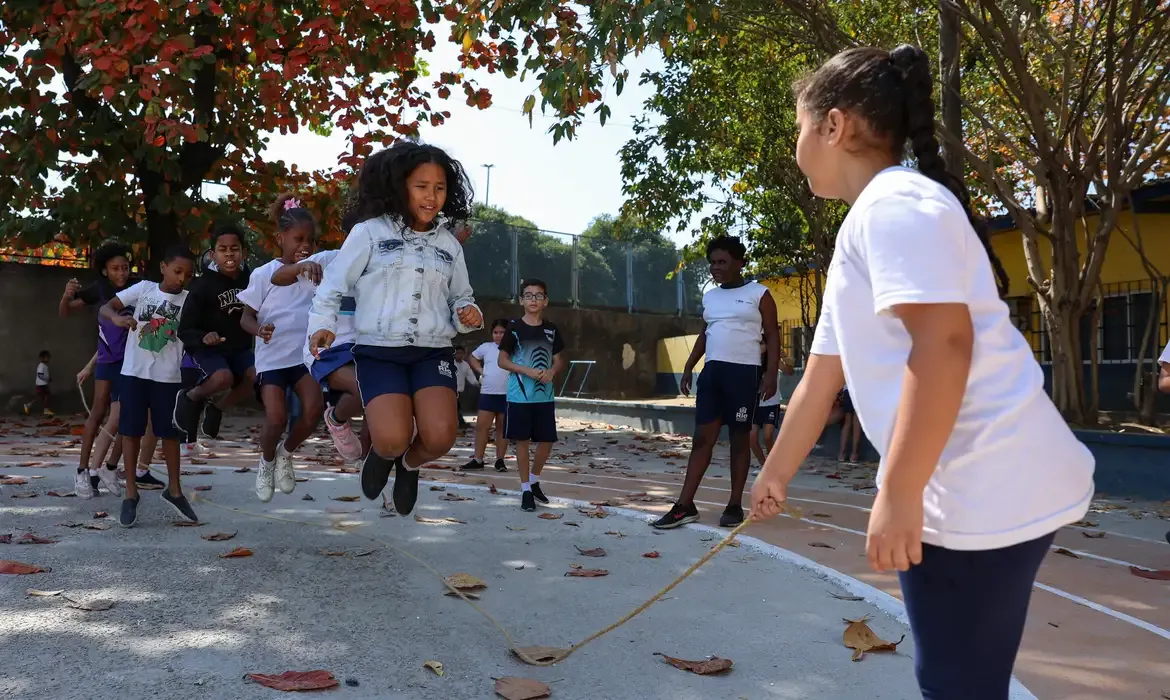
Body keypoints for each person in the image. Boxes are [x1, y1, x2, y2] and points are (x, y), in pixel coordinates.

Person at [749, 45, 1095, 700]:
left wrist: (900, 491)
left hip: (977, 485)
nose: (798, 141)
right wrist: (775, 474)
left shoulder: (893, 207)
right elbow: (822, 376)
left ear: (834, 125)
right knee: (959, 678)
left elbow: (943, 344)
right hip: (986, 478)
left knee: (957, 685)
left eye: (800, 123)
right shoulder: (872, 221)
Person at [307, 141, 483, 515]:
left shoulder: (450, 245)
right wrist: (322, 325)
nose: (431, 196)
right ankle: (386, 456)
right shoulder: (369, 233)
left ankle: (409, 465)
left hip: (432, 351)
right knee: (389, 439)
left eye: (439, 188)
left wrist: (469, 311)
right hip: (379, 352)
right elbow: (333, 285)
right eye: (421, 186)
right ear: (400, 186)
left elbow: (461, 296)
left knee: (439, 438)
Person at [652, 236, 780, 529]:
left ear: (739, 262)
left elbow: (772, 335)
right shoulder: (711, 296)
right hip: (712, 375)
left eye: (722, 262)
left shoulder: (759, 294)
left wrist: (770, 373)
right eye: (712, 262)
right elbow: (705, 332)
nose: (715, 267)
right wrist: (688, 366)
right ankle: (685, 505)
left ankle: (734, 505)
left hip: (744, 375)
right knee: (702, 438)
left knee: (739, 439)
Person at [99, 245, 201, 527]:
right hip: (133, 373)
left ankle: (175, 490)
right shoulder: (143, 289)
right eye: (177, 271)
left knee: (169, 434)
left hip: (168, 376)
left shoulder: (190, 301)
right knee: (130, 433)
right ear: (163, 268)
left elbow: (196, 332)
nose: (182, 278)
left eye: (188, 274)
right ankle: (130, 494)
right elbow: (107, 307)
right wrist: (118, 318)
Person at [238, 194, 330, 502]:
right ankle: (266, 463)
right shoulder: (264, 274)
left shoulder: (317, 271)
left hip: (303, 358)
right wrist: (259, 329)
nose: (306, 245)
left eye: (311, 240)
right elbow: (245, 318)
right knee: (276, 418)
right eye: (298, 238)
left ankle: (286, 452)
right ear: (281, 238)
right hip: (272, 359)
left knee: (314, 409)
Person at [272, 213, 363, 464]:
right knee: (364, 386)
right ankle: (336, 420)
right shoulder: (327, 259)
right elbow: (277, 277)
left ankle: (373, 463)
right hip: (327, 347)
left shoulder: (380, 267)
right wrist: (301, 266)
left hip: (366, 345)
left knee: (381, 397)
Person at [59, 240, 135, 497]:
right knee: (98, 412)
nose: (122, 273)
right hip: (107, 361)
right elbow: (66, 312)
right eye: (116, 268)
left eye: (125, 267)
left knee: (129, 417)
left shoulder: (138, 286)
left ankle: (110, 468)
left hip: (132, 363)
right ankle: (81, 472)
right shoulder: (97, 290)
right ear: (105, 271)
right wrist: (66, 295)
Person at [174, 222, 256, 441]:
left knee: (257, 375)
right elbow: (185, 328)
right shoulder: (201, 286)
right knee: (223, 377)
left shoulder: (253, 281)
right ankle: (191, 397)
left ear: (244, 252)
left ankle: (217, 408)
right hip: (208, 348)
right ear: (213, 254)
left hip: (239, 348)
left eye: (234, 248)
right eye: (223, 249)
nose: (229, 253)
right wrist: (203, 337)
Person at [497, 279, 566, 512]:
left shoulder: (551, 329)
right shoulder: (514, 328)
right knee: (522, 442)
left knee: (547, 441)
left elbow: (559, 360)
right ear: (521, 300)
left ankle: (535, 480)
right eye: (528, 295)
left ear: (545, 300)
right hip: (520, 396)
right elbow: (502, 360)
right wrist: (526, 370)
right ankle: (525, 488)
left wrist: (552, 372)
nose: (533, 299)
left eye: (538, 295)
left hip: (544, 396)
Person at [463, 319, 511, 472]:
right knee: (482, 426)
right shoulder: (486, 347)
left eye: (502, 332)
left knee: (502, 427)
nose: (498, 336)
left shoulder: (514, 348)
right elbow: (472, 357)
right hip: (488, 393)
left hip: (507, 393)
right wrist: (481, 371)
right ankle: (478, 459)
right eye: (495, 332)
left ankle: (500, 460)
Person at [750, 349, 794, 470]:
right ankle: (764, 465)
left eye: (763, 343)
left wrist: (785, 358)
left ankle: (773, 464)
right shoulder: (752, 358)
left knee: (767, 436)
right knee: (751, 437)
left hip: (771, 402)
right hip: (755, 403)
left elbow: (789, 371)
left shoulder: (773, 361)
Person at [453, 345, 478, 431]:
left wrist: (475, 383)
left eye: (461, 353)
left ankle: (460, 423)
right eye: (457, 353)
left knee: (457, 406)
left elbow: (469, 375)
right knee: (455, 406)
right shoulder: (451, 363)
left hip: (459, 390)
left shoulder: (465, 365)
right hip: (450, 389)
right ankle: (461, 423)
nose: (459, 355)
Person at [836, 385, 863, 462]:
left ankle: (842, 453)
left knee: (847, 422)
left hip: (848, 389)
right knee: (857, 422)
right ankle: (854, 454)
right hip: (860, 389)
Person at [24, 350, 53, 417]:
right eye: (47, 357)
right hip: (41, 384)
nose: (48, 358)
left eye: (49, 357)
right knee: (43, 397)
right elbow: (40, 375)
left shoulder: (44, 366)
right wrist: (47, 379)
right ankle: (29, 406)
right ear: (42, 358)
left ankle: (44, 410)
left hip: (43, 384)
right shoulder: (41, 366)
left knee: (44, 397)